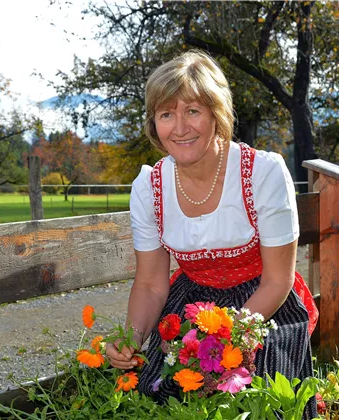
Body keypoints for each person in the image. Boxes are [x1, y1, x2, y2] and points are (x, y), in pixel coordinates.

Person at [105, 50, 318, 418]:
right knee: (162, 399)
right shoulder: (148, 187)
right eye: (166, 114)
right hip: (190, 305)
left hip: (261, 308)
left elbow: (277, 281)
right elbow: (152, 284)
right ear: (154, 123)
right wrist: (131, 340)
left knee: (263, 406)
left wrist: (222, 339)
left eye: (192, 111)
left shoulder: (262, 174)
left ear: (216, 114)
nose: (180, 127)